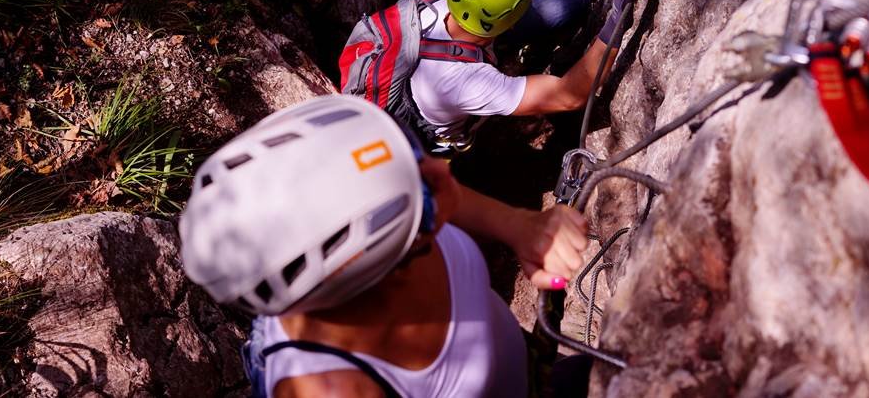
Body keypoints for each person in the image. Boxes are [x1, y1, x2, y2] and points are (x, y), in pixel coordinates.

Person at [180, 94, 590, 397]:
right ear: (366, 263)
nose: (438, 170)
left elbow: (440, 195)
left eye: (411, 152)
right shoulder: (333, 387)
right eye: (422, 188)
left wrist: (522, 227)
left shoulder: (397, 212)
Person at [410, 0, 637, 149]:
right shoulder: (466, 82)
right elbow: (568, 96)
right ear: (511, 21)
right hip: (437, 130)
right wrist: (614, 27)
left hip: (450, 59)